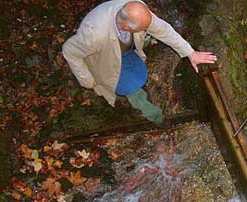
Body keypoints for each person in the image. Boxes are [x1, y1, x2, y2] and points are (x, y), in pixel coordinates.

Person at [62, 0, 217, 124]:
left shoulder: (136, 9)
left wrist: (190, 53)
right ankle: (155, 117)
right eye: (143, 29)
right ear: (126, 26)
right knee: (132, 88)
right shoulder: (94, 35)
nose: (149, 27)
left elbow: (163, 29)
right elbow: (69, 51)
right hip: (103, 59)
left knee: (139, 72)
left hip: (122, 48)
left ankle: (134, 64)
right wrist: (87, 80)